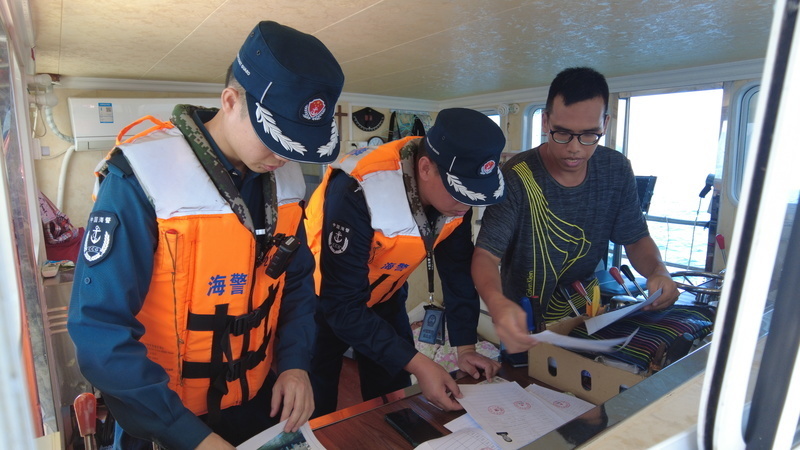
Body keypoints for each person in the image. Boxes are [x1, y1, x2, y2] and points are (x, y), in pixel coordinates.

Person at [67, 21, 344, 450]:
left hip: (257, 404)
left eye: (298, 145)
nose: (285, 156)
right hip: (162, 420)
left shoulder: (286, 184)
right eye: (276, 138)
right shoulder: (140, 180)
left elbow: (296, 284)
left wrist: (294, 364)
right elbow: (99, 330)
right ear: (230, 101)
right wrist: (190, 437)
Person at [304, 108, 504, 416]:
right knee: (316, 397)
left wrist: (465, 348)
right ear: (425, 168)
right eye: (460, 194)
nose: (466, 207)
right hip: (323, 301)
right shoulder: (358, 189)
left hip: (384, 297)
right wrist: (421, 364)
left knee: (394, 392)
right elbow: (342, 306)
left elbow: (458, 272)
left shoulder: (457, 200)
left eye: (475, 197)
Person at [472, 67, 679, 354]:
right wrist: (497, 303)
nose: (574, 149)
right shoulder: (517, 175)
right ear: (546, 121)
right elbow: (484, 255)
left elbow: (635, 238)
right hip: (521, 320)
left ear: (605, 124)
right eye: (563, 134)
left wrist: (659, 271)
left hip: (587, 317)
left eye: (589, 135)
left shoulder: (615, 169)